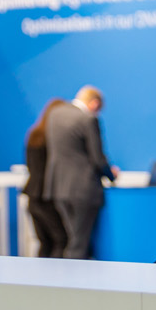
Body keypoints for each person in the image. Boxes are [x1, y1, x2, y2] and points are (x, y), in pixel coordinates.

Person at [42, 87, 117, 259]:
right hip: (84, 190)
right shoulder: (88, 119)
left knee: (73, 239)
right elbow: (98, 158)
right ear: (95, 103)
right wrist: (112, 175)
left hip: (59, 188)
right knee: (79, 244)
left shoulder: (55, 114)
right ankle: (72, 275)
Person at [23, 98, 70, 258]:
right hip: (46, 197)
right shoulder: (54, 139)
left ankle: (40, 273)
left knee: (45, 242)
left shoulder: (33, 135)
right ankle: (56, 273)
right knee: (61, 240)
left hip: (32, 195)